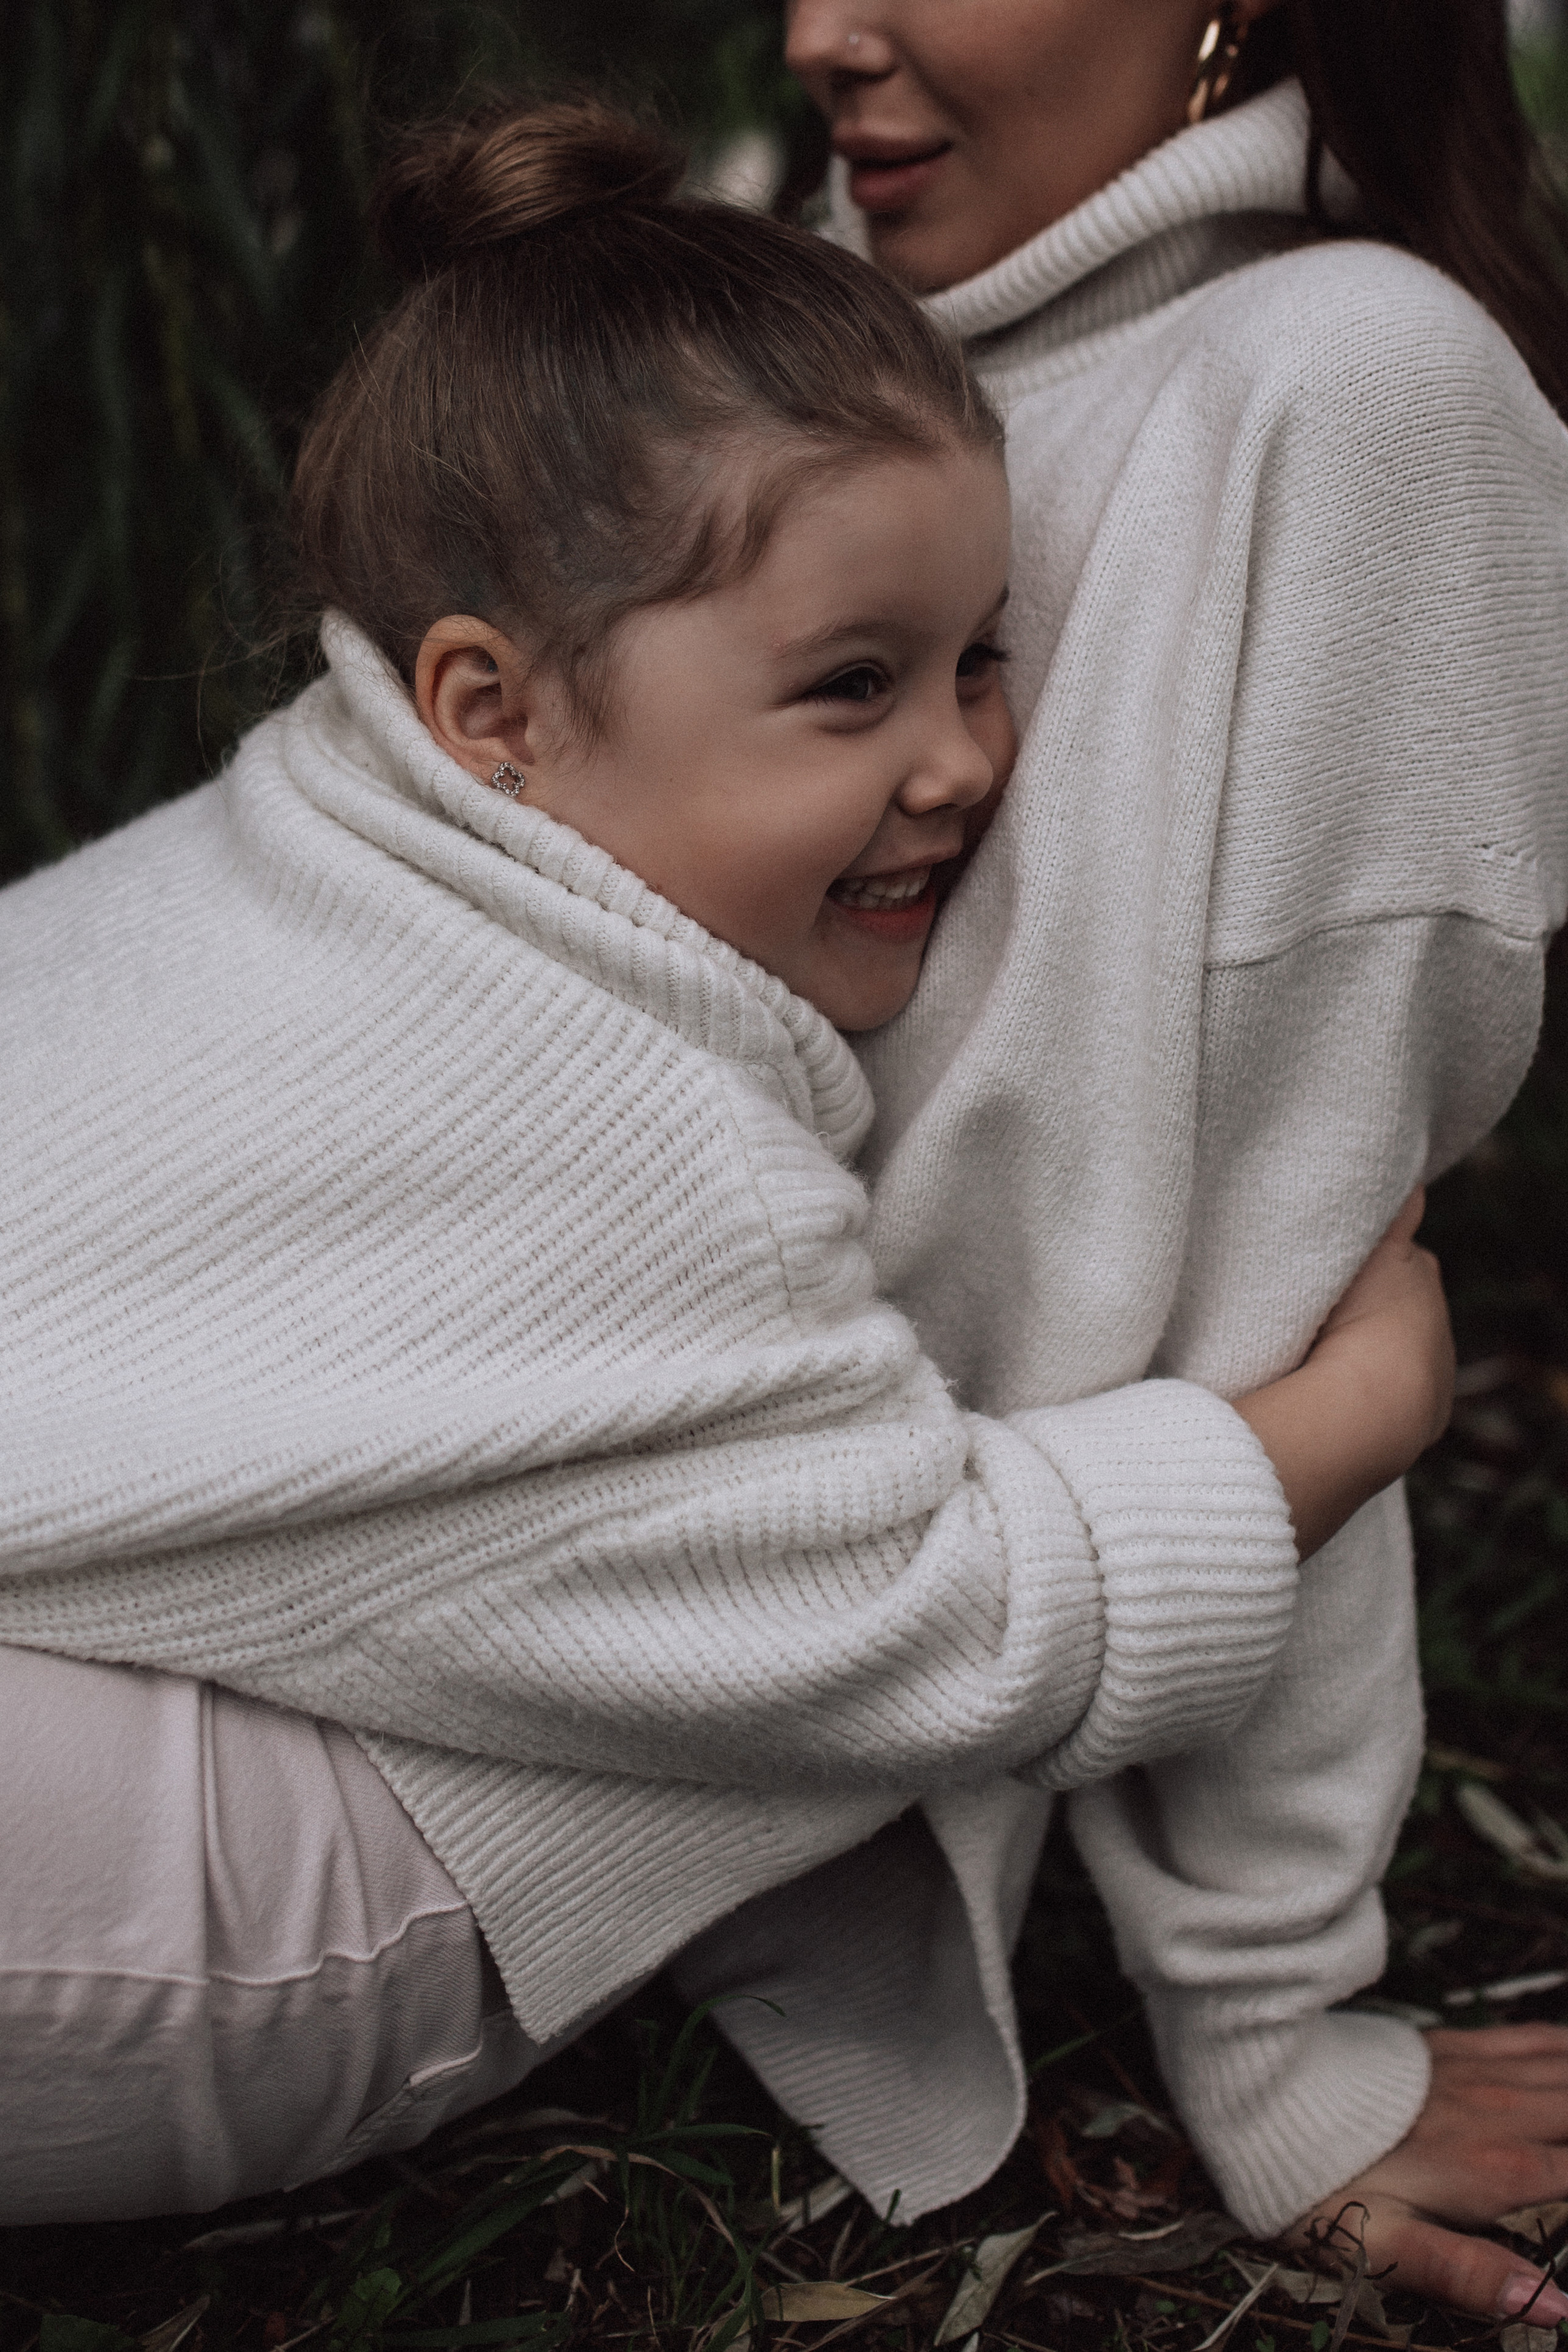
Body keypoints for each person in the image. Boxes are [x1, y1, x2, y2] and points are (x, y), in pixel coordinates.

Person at [0, 99, 1452, 2224]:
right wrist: (1350, 1419)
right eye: (852, 686)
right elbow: (938, 1617)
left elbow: (867, 1602)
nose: (962, 762)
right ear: (492, 706)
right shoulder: (583, 1091)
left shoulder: (358, 860)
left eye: (979, 662)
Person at [778, 0, 1568, 2318]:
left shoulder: (1343, 394)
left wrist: (1275, 2016)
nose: (827, 30)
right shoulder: (768, 289)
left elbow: (1287, 1275)